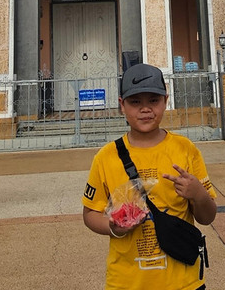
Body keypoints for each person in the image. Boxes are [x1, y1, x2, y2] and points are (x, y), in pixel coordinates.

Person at [82, 63, 217, 290]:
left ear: (166, 100)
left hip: (183, 282)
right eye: (135, 102)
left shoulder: (185, 149)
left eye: (153, 100)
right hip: (126, 282)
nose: (145, 109)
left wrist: (199, 194)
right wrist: (113, 227)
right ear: (122, 105)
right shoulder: (106, 157)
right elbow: (90, 214)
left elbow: (207, 217)